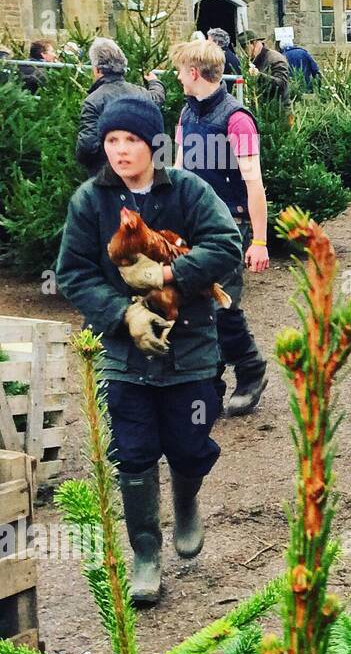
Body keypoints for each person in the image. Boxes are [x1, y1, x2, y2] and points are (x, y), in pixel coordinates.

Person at [55, 93, 243, 604]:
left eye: (130, 140)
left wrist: (167, 273)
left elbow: (227, 245)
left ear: (153, 145)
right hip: (125, 358)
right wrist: (125, 314)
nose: (119, 150)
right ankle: (145, 553)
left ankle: (185, 502)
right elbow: (73, 273)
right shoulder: (90, 201)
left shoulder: (188, 190)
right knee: (134, 455)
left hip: (192, 350)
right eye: (111, 140)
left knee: (189, 444)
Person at [171, 38, 270, 416]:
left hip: (230, 225)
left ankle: (249, 369)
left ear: (194, 73)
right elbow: (180, 171)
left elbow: (254, 183)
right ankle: (210, 386)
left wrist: (259, 239)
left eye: (181, 71)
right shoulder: (186, 115)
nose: (179, 77)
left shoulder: (237, 119)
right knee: (196, 304)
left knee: (222, 304)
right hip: (194, 225)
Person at [76, 37, 165, 173]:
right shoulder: (140, 93)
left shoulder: (93, 101)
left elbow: (87, 146)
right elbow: (157, 99)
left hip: (106, 173)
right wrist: (155, 82)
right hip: (138, 170)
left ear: (97, 69)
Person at [245, 34, 292, 104]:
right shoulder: (252, 60)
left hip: (278, 108)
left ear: (254, 43)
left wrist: (259, 76)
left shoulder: (275, 58)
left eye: (245, 48)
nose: (245, 52)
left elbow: (281, 83)